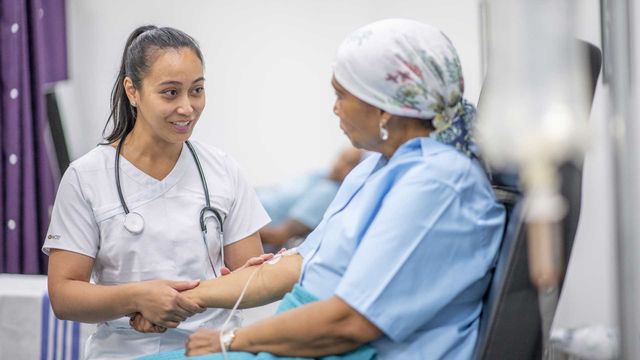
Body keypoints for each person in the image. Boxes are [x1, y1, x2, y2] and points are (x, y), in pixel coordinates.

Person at [135, 19, 506, 359]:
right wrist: (184, 299)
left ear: (385, 109)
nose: (335, 109)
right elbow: (298, 265)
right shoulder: (377, 166)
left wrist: (232, 341)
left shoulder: (438, 184)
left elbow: (350, 322)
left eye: (342, 95)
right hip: (309, 337)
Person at [42, 26, 273, 359]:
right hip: (125, 350)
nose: (187, 107)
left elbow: (250, 280)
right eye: (170, 92)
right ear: (132, 91)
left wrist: (188, 299)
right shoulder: (85, 177)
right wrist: (136, 299)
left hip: (211, 349)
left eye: (197, 90)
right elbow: (64, 295)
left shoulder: (222, 170)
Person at [258, 147, 362, 251]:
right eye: (342, 159)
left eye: (351, 164)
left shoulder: (329, 193)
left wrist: (246, 224)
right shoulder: (318, 175)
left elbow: (278, 236)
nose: (341, 166)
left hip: (253, 226)